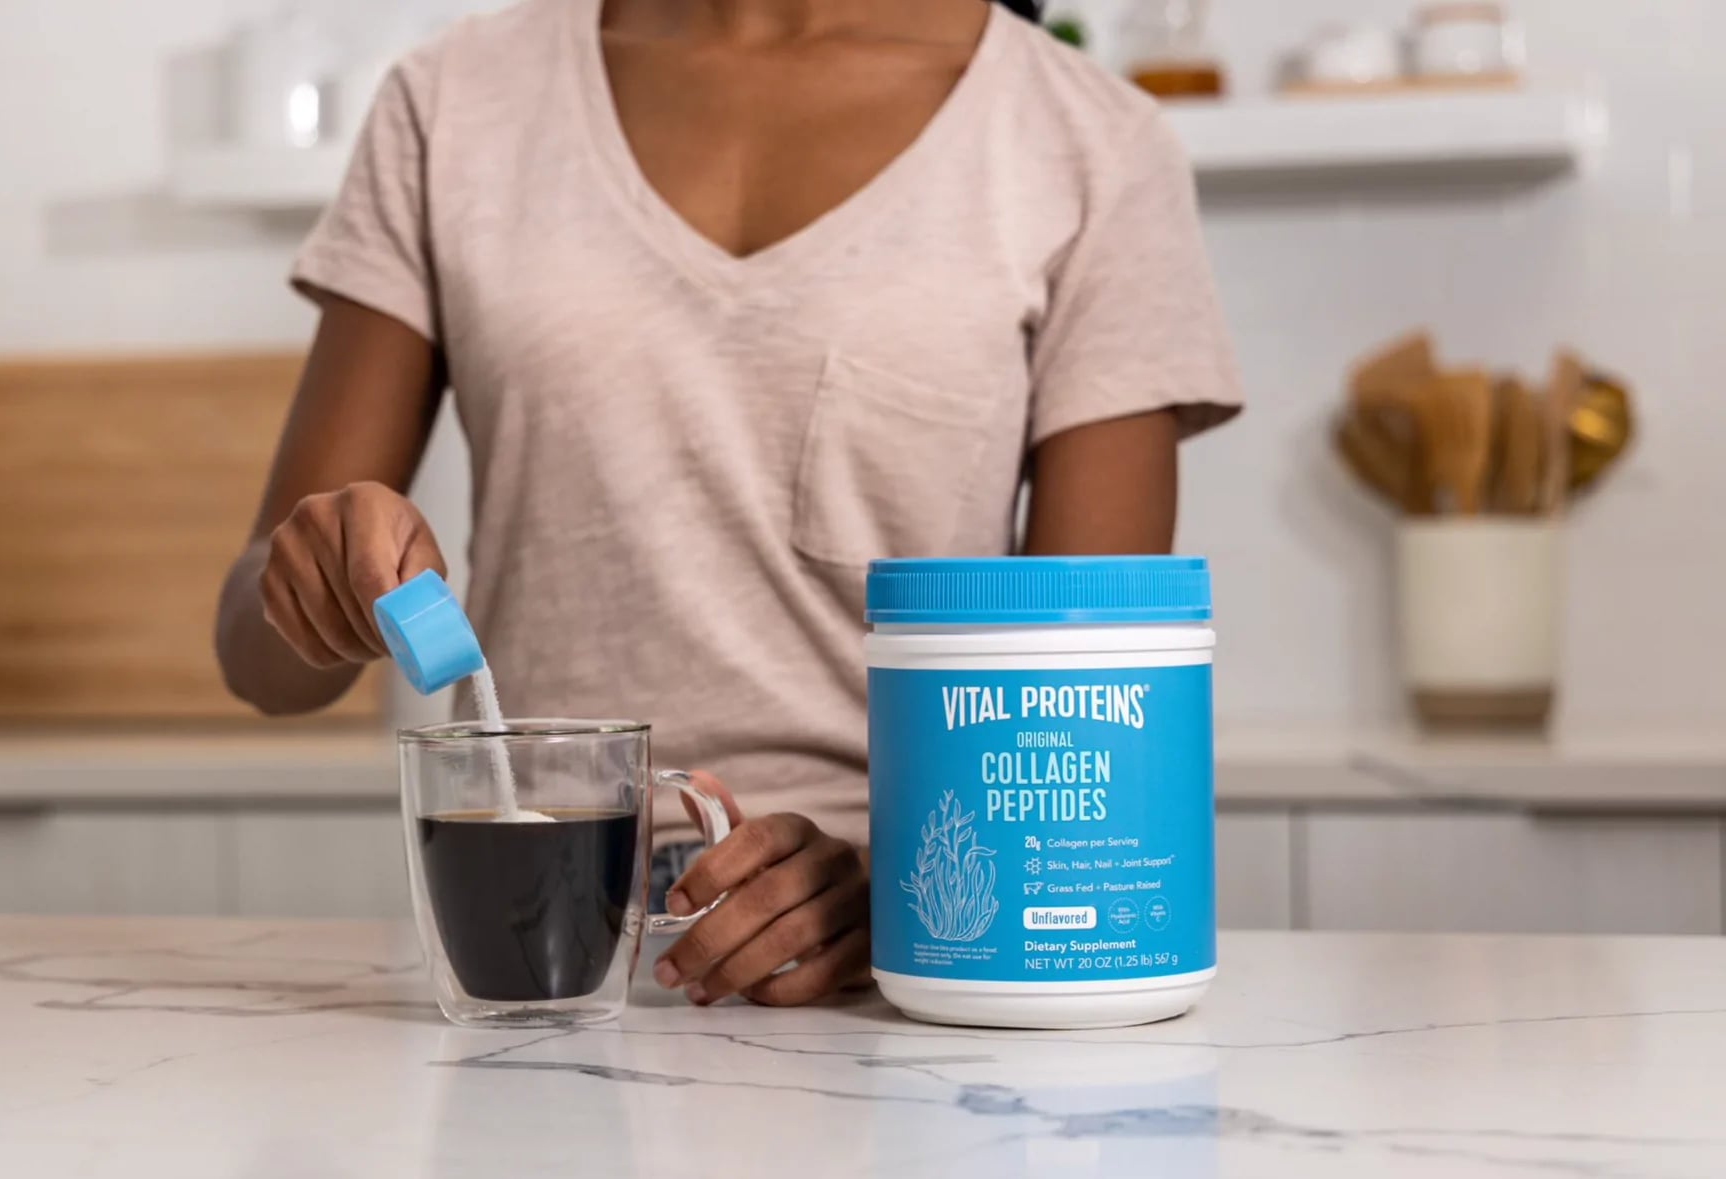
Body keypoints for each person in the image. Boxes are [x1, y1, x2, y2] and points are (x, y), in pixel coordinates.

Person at [215, 0, 1242, 1009]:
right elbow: (258, 658)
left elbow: (1095, 719)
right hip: (537, 948)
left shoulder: (1087, 139)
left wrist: (891, 890)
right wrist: (311, 582)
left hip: (899, 978)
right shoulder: (453, 101)